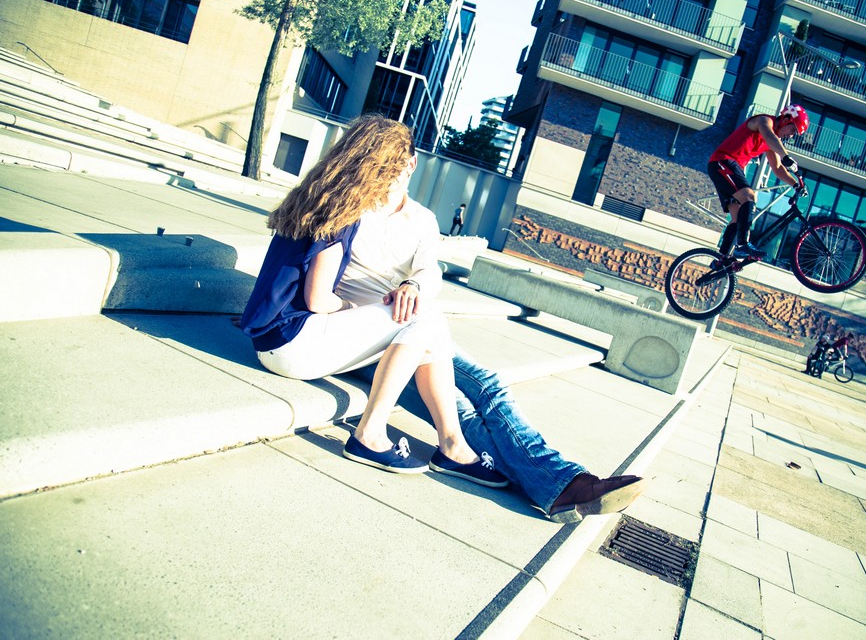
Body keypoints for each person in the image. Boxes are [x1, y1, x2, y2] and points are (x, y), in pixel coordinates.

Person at [240, 114, 505, 487]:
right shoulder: (342, 213)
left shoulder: (320, 197)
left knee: (428, 324)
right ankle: (372, 435)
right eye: (387, 169)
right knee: (426, 320)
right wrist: (352, 308)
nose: (390, 178)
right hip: (292, 345)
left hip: (276, 339)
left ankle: (453, 445)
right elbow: (318, 299)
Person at [352, 350, 645, 523]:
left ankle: (557, 483)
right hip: (376, 345)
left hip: (418, 326)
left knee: (490, 386)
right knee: (459, 411)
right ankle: (560, 483)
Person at [707, 104, 810, 260]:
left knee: (737, 218)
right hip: (723, 162)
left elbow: (777, 168)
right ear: (786, 119)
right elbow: (769, 135)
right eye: (792, 130)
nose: (790, 136)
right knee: (749, 196)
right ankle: (742, 245)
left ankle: (721, 260)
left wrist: (796, 184)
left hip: (731, 167)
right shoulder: (763, 121)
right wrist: (786, 156)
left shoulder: (772, 142)